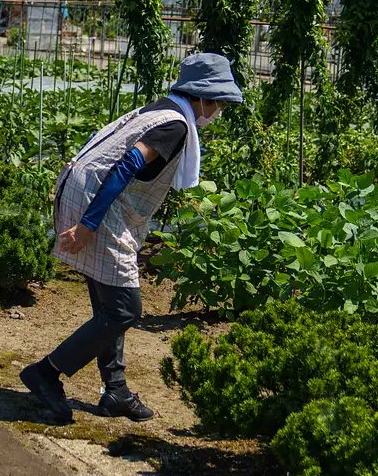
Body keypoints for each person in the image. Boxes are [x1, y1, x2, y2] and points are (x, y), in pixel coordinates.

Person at [21, 53, 243, 424]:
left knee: (110, 306)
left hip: (87, 191)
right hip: (100, 205)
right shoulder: (176, 127)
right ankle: (46, 373)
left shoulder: (160, 109)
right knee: (125, 308)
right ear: (202, 96)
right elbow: (128, 164)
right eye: (218, 101)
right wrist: (89, 225)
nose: (218, 109)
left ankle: (116, 391)